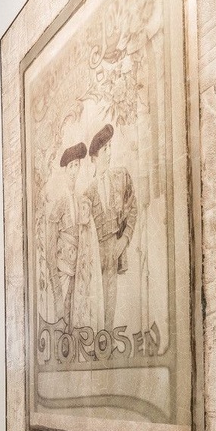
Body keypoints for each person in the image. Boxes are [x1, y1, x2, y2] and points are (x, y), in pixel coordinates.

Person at [86, 123, 137, 333]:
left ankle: (108, 338)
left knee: (113, 300)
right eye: (104, 150)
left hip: (115, 249)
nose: (109, 153)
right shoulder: (88, 193)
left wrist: (124, 240)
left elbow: (132, 208)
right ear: (94, 158)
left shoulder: (120, 177)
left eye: (110, 148)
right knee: (97, 302)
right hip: (96, 252)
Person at [47, 142, 90, 333]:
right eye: (71, 166)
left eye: (76, 166)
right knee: (62, 309)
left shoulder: (80, 200)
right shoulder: (60, 201)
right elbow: (51, 242)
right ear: (65, 170)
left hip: (77, 265)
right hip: (62, 266)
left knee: (75, 309)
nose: (74, 171)